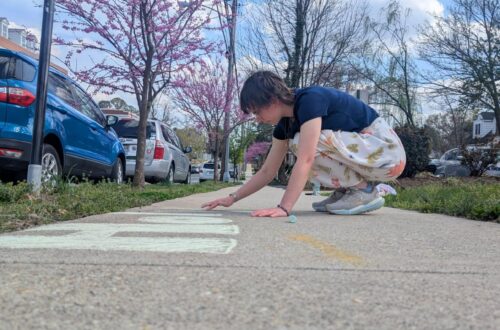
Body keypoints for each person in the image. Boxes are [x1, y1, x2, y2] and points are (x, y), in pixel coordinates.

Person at [202, 71, 406, 217]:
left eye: (257, 112)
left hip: (387, 152)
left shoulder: (310, 100)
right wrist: (232, 198)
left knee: (304, 143)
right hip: (369, 157)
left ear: (272, 100)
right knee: (299, 142)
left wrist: (284, 207)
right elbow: (267, 171)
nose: (257, 119)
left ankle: (364, 190)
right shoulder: (285, 125)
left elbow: (307, 158)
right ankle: (349, 190)